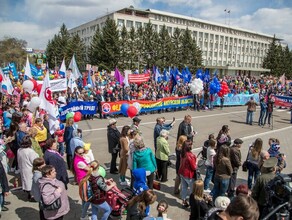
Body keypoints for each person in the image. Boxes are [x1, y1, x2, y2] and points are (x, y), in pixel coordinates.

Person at [17, 135, 39, 200]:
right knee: (31, 183)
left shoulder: (19, 150)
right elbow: (35, 161)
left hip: (23, 168)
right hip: (30, 169)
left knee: (26, 182)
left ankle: (29, 194)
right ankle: (32, 196)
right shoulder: (30, 151)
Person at [179, 140, 197, 208]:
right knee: (192, 190)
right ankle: (192, 203)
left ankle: (184, 200)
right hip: (189, 175)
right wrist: (196, 163)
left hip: (182, 172)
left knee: (184, 188)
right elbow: (194, 167)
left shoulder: (183, 153)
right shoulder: (191, 155)